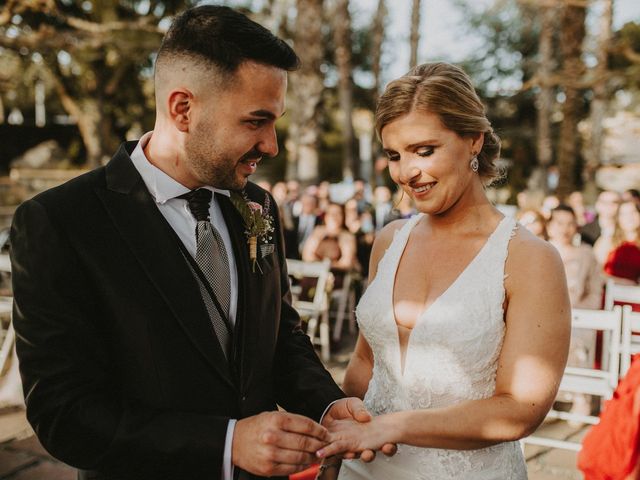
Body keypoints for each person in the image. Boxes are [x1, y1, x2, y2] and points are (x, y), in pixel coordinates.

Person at [10, 7, 383, 480]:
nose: (271, 145)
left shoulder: (258, 206)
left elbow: (280, 335)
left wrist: (326, 403)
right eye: (256, 121)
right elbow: (64, 415)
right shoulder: (61, 222)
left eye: (275, 122)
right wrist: (227, 443)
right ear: (182, 109)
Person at [316, 62, 571, 479]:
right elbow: (365, 361)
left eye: (424, 150)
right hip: (363, 469)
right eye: (394, 155)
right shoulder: (389, 240)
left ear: (474, 140)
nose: (406, 172)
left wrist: (391, 427)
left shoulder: (528, 258)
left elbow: (520, 408)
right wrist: (334, 449)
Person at [546, 204, 603, 418]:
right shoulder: (540, 251)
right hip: (544, 316)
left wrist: (579, 311)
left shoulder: (586, 254)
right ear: (550, 226)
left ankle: (580, 398)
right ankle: (544, 397)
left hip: (578, 315)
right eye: (559, 223)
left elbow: (595, 290)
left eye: (570, 223)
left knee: (575, 338)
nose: (565, 228)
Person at [603, 200, 640, 285]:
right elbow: (594, 272)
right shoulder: (608, 241)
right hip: (610, 294)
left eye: (633, 212)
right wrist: (622, 282)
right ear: (618, 218)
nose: (629, 217)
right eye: (624, 214)